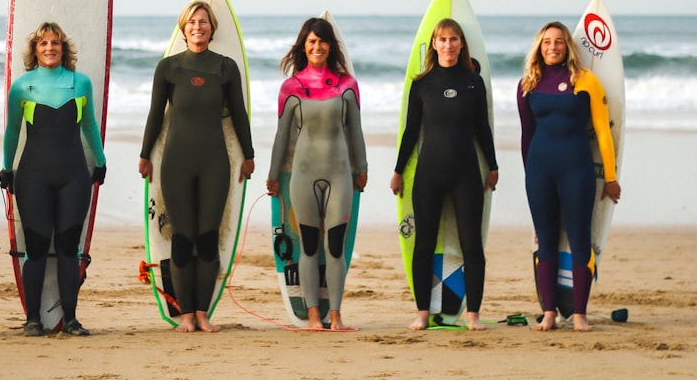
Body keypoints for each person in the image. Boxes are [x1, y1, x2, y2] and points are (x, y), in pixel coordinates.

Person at [138, 0, 254, 333]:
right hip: (176, 163)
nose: (198, 27)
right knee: (182, 239)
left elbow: (239, 114)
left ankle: (203, 313)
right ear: (183, 28)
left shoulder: (225, 67)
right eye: (192, 22)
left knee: (207, 239)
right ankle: (185, 313)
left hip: (214, 163)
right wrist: (145, 154)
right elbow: (155, 114)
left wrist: (249, 155)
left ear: (212, 28)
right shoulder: (168, 68)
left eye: (203, 22)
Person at [389, 18, 498, 331]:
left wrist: (492, 165)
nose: (448, 45)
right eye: (442, 40)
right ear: (433, 45)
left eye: (453, 39)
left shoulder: (473, 83)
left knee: (471, 245)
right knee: (424, 244)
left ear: (461, 44)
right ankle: (422, 312)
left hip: (466, 173)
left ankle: (473, 314)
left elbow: (482, 128)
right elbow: (411, 132)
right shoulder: (421, 84)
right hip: (429, 175)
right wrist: (398, 171)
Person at [0, 22, 106, 337]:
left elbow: (89, 127)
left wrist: (99, 161)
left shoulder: (80, 83)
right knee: (35, 247)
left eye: (55, 43)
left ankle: (70, 319)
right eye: (44, 43)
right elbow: (13, 131)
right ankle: (33, 319)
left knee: (68, 248)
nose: (50, 48)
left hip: (74, 176)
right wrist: (7, 168)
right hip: (33, 177)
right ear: (35, 50)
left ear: (63, 49)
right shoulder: (22, 86)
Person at [517, 21, 621, 332]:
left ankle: (579, 315)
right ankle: (549, 313)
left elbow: (603, 132)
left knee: (579, 239)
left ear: (568, 46)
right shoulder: (528, 84)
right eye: (547, 42)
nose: (553, 47)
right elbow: (526, 135)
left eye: (559, 42)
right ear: (539, 46)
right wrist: (529, 175)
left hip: (577, 169)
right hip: (539, 171)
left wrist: (611, 177)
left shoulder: (586, 81)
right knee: (545, 240)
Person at [266, 17, 368, 331]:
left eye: (322, 41)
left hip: (340, 176)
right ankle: (313, 316)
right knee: (308, 247)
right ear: (303, 46)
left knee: (335, 247)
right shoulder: (292, 87)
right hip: (302, 176)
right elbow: (282, 137)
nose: (317, 47)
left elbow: (355, 133)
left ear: (330, 46)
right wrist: (272, 175)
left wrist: (361, 169)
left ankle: (335, 316)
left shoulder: (347, 85)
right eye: (311, 42)